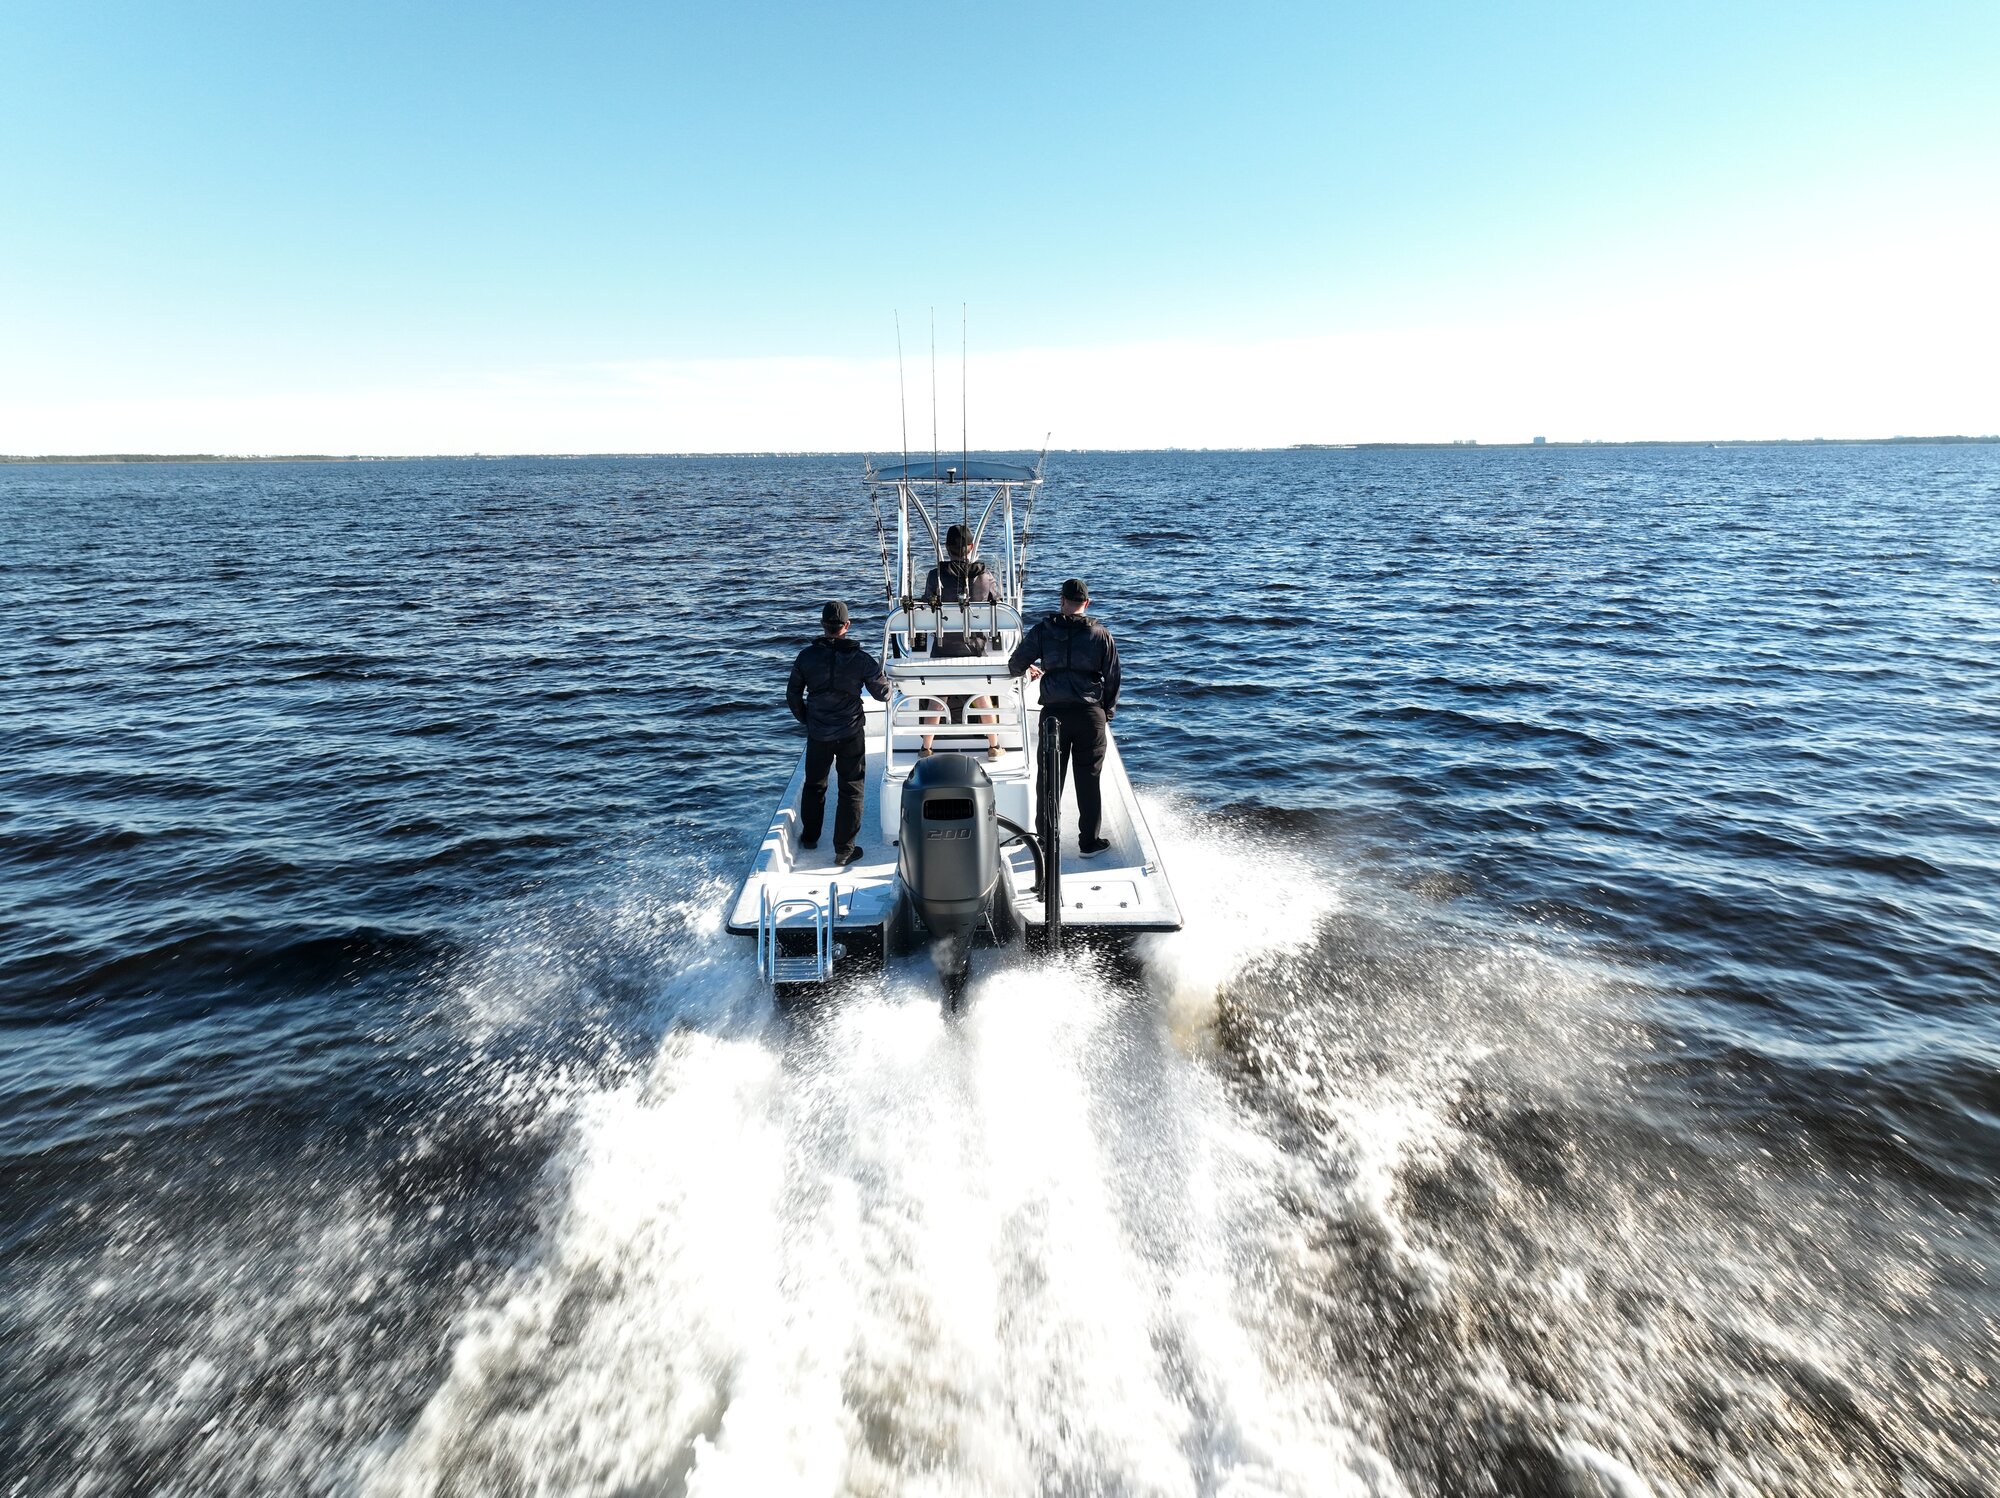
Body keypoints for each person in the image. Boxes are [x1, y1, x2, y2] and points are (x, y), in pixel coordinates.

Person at [1008, 577, 1120, 856]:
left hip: (1053, 715)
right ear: (1087, 603)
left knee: (1048, 780)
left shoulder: (1043, 630)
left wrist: (1034, 667)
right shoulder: (1101, 634)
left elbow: (1014, 665)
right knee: (1089, 779)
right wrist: (1106, 712)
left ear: (1062, 601)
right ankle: (1089, 843)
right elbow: (1114, 676)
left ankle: (1045, 841)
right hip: (1089, 715)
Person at [786, 600, 889, 865]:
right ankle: (844, 850)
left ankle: (810, 837)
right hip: (851, 732)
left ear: (823, 626)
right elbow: (883, 694)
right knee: (851, 788)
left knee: (815, 785)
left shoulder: (806, 657)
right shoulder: (862, 659)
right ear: (847, 626)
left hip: (818, 732)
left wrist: (807, 719)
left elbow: (793, 694)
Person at [920, 523, 1003, 759]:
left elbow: (927, 603)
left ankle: (926, 748)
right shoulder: (986, 577)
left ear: (946, 548)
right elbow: (998, 603)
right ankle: (994, 746)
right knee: (982, 694)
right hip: (975, 653)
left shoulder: (935, 575)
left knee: (938, 697)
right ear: (971, 547)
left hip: (943, 651)